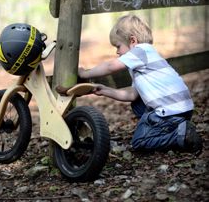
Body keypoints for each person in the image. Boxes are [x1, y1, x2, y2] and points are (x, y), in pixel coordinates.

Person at [78, 14, 202, 154]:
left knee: (139, 142)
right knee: (137, 104)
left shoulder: (139, 52)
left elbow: (110, 67)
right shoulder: (147, 58)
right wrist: (105, 90)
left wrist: (85, 74)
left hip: (169, 111)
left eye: (118, 46)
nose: (117, 51)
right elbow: (132, 95)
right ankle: (177, 128)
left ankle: (179, 136)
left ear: (133, 41)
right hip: (182, 109)